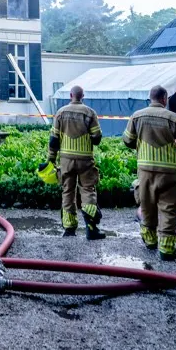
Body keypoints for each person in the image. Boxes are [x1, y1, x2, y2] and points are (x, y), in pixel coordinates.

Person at [123, 85, 176, 261]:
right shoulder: (174, 118)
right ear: (165, 98)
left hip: (145, 170)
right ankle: (167, 249)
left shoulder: (137, 116)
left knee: (146, 205)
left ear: (150, 97)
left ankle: (150, 242)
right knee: (168, 209)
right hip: (168, 171)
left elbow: (127, 140)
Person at [47, 85, 105, 240]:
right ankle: (91, 228)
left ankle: (69, 228)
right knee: (88, 190)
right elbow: (97, 137)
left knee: (67, 191)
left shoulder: (61, 112)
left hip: (66, 160)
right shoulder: (90, 113)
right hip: (85, 159)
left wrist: (51, 159)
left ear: (71, 95)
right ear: (82, 96)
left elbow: (54, 140)